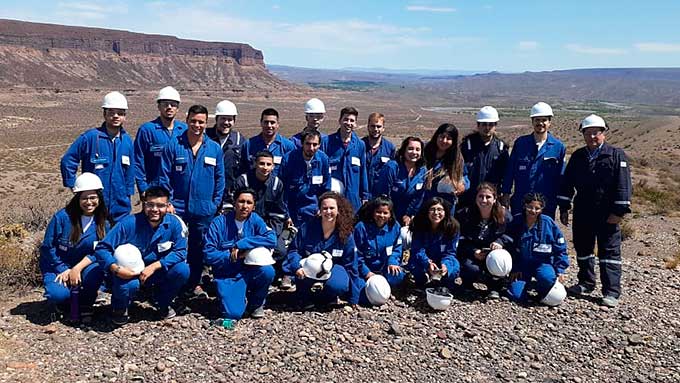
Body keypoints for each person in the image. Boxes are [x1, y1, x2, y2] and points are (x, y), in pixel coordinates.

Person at [558, 114, 632, 307]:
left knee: (609, 252)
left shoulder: (616, 155)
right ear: (583, 134)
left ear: (604, 133)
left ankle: (611, 292)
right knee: (583, 249)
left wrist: (619, 211)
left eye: (596, 133)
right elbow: (567, 184)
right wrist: (564, 207)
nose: (592, 137)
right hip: (583, 212)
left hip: (607, 214)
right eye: (588, 133)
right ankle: (586, 282)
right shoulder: (578, 156)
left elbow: (624, 186)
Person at [94, 186, 190, 325]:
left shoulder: (174, 224)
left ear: (168, 206)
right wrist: (116, 269)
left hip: (156, 272)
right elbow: (102, 248)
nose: (155, 210)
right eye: (150, 205)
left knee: (182, 270)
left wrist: (156, 266)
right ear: (144, 204)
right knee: (128, 286)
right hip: (129, 273)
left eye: (160, 205)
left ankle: (161, 302)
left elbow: (181, 251)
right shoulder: (128, 224)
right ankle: (120, 307)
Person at [159, 104, 225, 298]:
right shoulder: (173, 146)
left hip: (204, 209)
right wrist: (167, 202)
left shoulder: (213, 148)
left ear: (206, 123)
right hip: (176, 208)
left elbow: (220, 179)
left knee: (198, 248)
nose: (197, 125)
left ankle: (194, 284)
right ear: (186, 120)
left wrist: (214, 204)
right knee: (173, 246)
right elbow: (163, 177)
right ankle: (170, 284)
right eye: (193, 121)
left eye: (201, 122)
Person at [40, 173, 109, 323]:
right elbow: (47, 247)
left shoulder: (103, 221)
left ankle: (85, 303)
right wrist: (63, 269)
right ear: (77, 198)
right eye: (84, 198)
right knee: (57, 294)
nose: (89, 202)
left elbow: (102, 250)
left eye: (93, 197)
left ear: (99, 198)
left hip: (86, 266)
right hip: (58, 266)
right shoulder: (62, 218)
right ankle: (64, 303)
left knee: (97, 272)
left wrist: (77, 268)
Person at [60, 91, 135, 223]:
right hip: (95, 205)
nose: (116, 116)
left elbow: (130, 172)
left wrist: (128, 194)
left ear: (125, 116)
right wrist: (74, 186)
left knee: (119, 241)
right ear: (104, 114)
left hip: (120, 207)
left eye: (120, 113)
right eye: (111, 112)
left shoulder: (127, 141)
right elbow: (68, 160)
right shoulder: (90, 138)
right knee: (94, 240)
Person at [203, 188, 277, 320]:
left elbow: (271, 239)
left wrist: (243, 244)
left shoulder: (255, 220)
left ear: (254, 206)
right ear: (234, 203)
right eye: (241, 201)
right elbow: (208, 254)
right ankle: (229, 294)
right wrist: (232, 256)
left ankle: (256, 304)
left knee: (267, 271)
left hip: (250, 270)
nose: (245, 206)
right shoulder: (219, 223)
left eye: (249, 203)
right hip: (228, 274)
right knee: (232, 315)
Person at [283, 192, 361, 308]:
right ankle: (305, 297)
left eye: (332, 208)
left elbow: (351, 265)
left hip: (333, 272)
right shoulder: (307, 228)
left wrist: (354, 298)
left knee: (338, 285)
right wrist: (296, 267)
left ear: (338, 210)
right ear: (319, 210)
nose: (328, 212)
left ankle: (328, 296)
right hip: (307, 272)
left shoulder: (345, 234)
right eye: (324, 208)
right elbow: (293, 250)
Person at [501, 102, 565, 218]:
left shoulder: (558, 147)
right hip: (521, 202)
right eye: (537, 120)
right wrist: (505, 193)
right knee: (518, 233)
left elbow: (562, 178)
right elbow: (510, 171)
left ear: (549, 122)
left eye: (544, 120)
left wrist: (563, 205)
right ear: (532, 121)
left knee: (543, 233)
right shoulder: (521, 144)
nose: (540, 123)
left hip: (546, 204)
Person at [506, 193, 569, 304]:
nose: (533, 211)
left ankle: (541, 290)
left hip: (543, 264)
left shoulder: (548, 223)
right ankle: (524, 286)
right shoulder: (516, 222)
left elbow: (560, 248)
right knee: (516, 295)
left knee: (548, 279)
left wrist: (560, 270)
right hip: (522, 265)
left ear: (542, 209)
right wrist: (514, 268)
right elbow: (508, 247)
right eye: (530, 207)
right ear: (525, 206)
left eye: (537, 208)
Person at [456, 182, 513, 299]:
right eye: (480, 196)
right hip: (473, 253)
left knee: (499, 259)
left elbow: (512, 235)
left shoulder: (505, 215)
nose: (484, 200)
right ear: (476, 197)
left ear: (495, 198)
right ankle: (467, 285)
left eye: (488, 197)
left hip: (494, 253)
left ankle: (495, 287)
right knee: (471, 269)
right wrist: (473, 251)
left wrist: (500, 242)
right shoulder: (465, 214)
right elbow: (459, 239)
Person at [232, 151, 289, 264]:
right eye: (262, 163)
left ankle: (272, 274)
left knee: (280, 250)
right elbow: (232, 207)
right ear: (255, 164)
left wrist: (268, 234)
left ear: (273, 166)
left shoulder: (277, 184)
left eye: (269, 164)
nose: (265, 167)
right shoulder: (243, 181)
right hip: (244, 225)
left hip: (267, 227)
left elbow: (279, 214)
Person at [133, 86, 187, 196]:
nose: (169, 107)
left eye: (173, 104)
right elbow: (138, 160)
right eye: (165, 104)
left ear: (178, 107)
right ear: (159, 106)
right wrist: (143, 188)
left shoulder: (184, 130)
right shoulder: (147, 130)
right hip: (154, 189)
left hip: (179, 191)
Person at [459, 106, 510, 209]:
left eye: (491, 125)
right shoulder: (466, 146)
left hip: (491, 200)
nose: (487, 128)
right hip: (468, 199)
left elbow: (506, 174)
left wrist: (505, 195)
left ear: (495, 126)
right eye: (484, 124)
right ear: (478, 125)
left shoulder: (501, 148)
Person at [322, 107, 369, 212]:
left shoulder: (360, 145)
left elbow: (363, 172)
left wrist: (365, 196)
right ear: (340, 120)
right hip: (332, 199)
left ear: (355, 124)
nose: (349, 123)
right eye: (346, 119)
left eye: (352, 120)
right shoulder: (326, 142)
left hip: (353, 199)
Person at [280, 130, 331, 227]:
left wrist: (322, 209)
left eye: (315, 144)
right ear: (302, 143)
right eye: (308, 144)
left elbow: (326, 190)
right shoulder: (289, 159)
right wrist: (286, 215)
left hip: (314, 213)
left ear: (319, 145)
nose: (311, 148)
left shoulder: (324, 160)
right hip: (293, 212)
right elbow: (282, 191)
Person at [407, 197, 461, 289]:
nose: (436, 213)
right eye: (432, 209)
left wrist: (445, 265)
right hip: (425, 260)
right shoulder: (419, 225)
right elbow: (418, 249)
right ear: (427, 212)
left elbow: (450, 252)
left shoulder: (453, 227)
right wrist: (427, 263)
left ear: (445, 212)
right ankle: (422, 281)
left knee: (454, 266)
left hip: (442, 260)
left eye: (440, 210)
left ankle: (445, 283)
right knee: (414, 264)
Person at [354, 196, 405, 293]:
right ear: (373, 212)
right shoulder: (361, 227)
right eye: (378, 212)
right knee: (362, 290)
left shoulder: (395, 227)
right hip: (365, 268)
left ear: (390, 214)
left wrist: (392, 262)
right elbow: (356, 254)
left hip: (385, 266)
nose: (381, 215)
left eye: (385, 213)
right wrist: (367, 273)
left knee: (397, 275)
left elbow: (397, 248)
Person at [374, 136, 427, 228]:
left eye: (417, 149)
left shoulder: (422, 171)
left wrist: (409, 215)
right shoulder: (392, 167)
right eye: (410, 149)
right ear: (404, 150)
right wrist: (390, 215)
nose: (414, 152)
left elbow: (419, 196)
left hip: (406, 217)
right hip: (386, 215)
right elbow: (383, 194)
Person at [206, 100, 244, 212]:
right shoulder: (205, 137)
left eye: (230, 119)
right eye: (223, 118)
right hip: (207, 194)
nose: (226, 122)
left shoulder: (239, 140)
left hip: (229, 196)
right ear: (216, 119)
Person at [423, 123, 469, 214]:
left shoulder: (457, 158)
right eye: (441, 137)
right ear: (436, 136)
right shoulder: (424, 152)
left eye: (449, 139)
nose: (444, 141)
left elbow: (465, 177)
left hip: (446, 205)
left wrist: (462, 186)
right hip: (425, 201)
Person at [240, 108, 295, 176]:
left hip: (279, 186)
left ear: (278, 124)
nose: (269, 126)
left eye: (272, 122)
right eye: (266, 122)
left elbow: (293, 171)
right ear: (261, 123)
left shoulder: (288, 146)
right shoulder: (248, 145)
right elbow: (242, 170)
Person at [362, 113, 396, 195]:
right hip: (362, 193)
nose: (375, 129)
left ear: (383, 128)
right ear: (368, 127)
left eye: (379, 126)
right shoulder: (360, 145)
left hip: (380, 195)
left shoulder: (390, 148)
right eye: (373, 126)